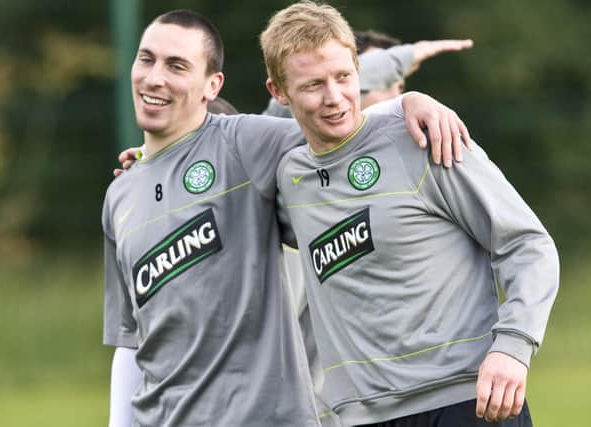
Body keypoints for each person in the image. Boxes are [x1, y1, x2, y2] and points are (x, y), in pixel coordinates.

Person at [104, 8, 472, 427]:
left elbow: (331, 113)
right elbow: (131, 340)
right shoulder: (120, 195)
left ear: (212, 85)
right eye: (146, 59)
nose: (155, 78)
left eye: (176, 65)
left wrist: (405, 102)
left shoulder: (244, 143)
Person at [262, 1, 559, 426]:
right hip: (360, 417)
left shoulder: (427, 138)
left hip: (467, 402)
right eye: (312, 86)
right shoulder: (288, 177)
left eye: (344, 77)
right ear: (279, 92)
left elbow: (526, 243)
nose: (334, 98)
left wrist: (513, 346)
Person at [263, 30, 472, 115]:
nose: (398, 98)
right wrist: (409, 55)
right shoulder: (284, 134)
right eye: (381, 82)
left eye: (400, 86)